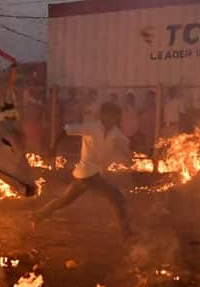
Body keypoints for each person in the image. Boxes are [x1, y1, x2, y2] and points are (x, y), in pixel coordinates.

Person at [36, 102, 133, 239]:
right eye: (110, 115)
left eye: (115, 116)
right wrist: (53, 147)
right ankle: (126, 234)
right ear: (103, 115)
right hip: (88, 174)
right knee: (117, 197)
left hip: (87, 175)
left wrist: (137, 153)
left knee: (63, 201)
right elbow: (66, 130)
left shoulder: (115, 132)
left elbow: (127, 144)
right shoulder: (91, 128)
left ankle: (37, 216)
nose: (113, 119)